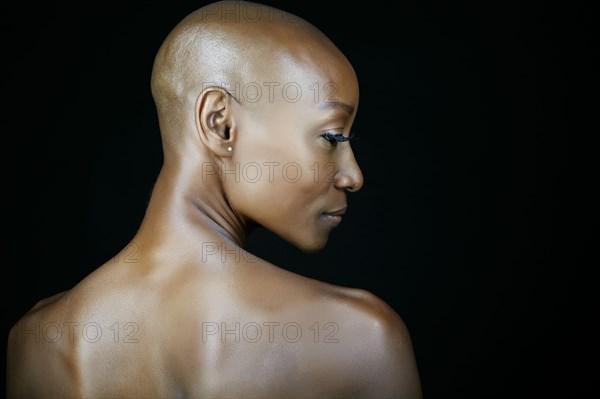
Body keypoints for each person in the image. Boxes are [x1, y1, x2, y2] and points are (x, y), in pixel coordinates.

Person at [7, 1, 422, 397]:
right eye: (332, 137)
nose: (354, 176)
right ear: (220, 124)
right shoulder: (360, 339)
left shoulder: (37, 341)